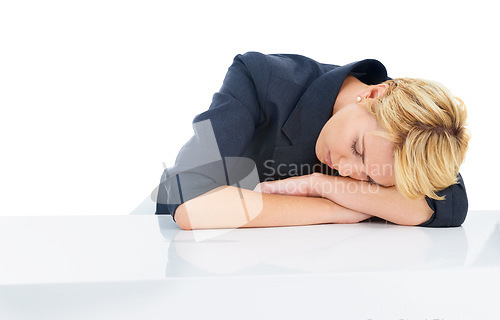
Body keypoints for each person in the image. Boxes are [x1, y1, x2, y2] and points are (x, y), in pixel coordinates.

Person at [155, 52, 470, 230]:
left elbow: (448, 205)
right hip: (165, 246)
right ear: (374, 93)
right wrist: (336, 209)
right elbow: (192, 205)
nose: (348, 172)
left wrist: (325, 185)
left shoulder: (413, 133)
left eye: (370, 178)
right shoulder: (260, 79)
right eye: (356, 149)